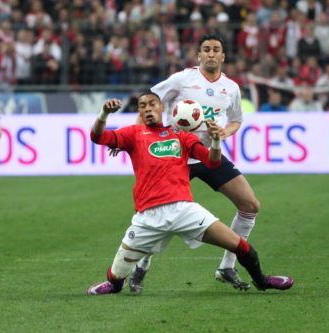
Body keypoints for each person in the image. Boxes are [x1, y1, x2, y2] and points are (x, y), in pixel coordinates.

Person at [87, 93, 294, 295]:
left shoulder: (182, 136)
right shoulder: (133, 134)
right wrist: (104, 112)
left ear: (163, 108)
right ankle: (116, 285)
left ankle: (261, 280)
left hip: (184, 210)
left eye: (152, 104)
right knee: (115, 276)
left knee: (240, 245)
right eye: (143, 106)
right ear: (140, 112)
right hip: (148, 217)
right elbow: (98, 137)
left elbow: (212, 162)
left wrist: (214, 141)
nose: (148, 108)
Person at [131, 34, 262, 292]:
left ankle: (227, 266)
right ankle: (140, 267)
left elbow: (236, 119)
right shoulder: (182, 79)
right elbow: (148, 104)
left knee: (250, 205)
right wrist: (140, 139)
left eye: (216, 50)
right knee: (159, 214)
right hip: (175, 155)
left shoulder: (231, 88)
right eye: (206, 49)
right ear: (199, 55)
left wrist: (224, 132)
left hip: (208, 155)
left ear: (223, 56)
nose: (211, 53)